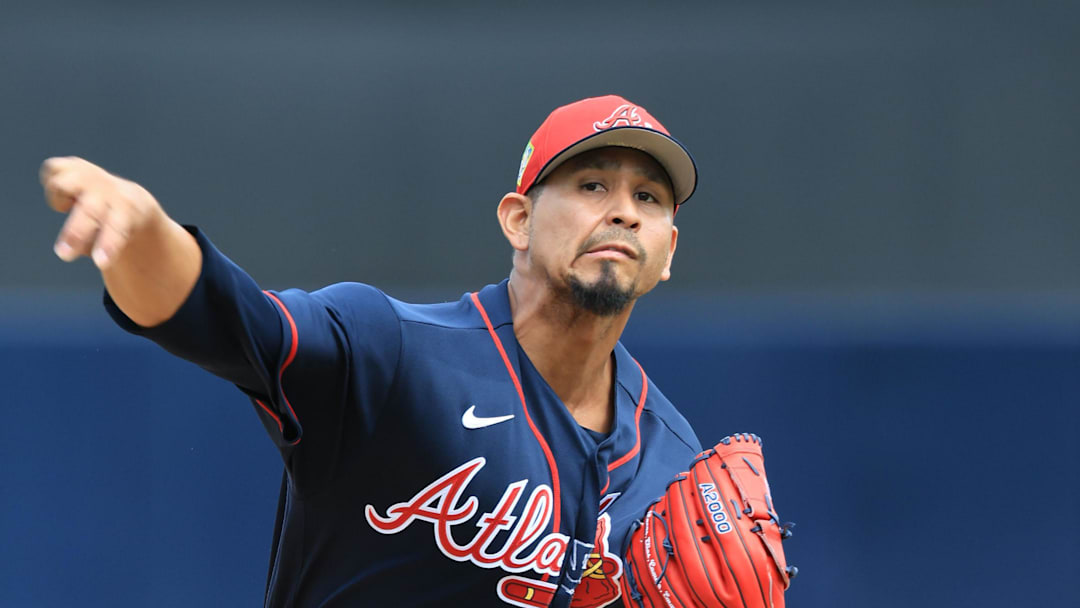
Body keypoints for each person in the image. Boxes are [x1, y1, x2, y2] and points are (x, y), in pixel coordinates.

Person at [41, 95, 704, 607]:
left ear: (668, 251)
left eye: (648, 197)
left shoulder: (674, 460)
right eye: (592, 185)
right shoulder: (391, 352)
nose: (623, 211)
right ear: (519, 220)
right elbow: (223, 315)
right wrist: (142, 234)